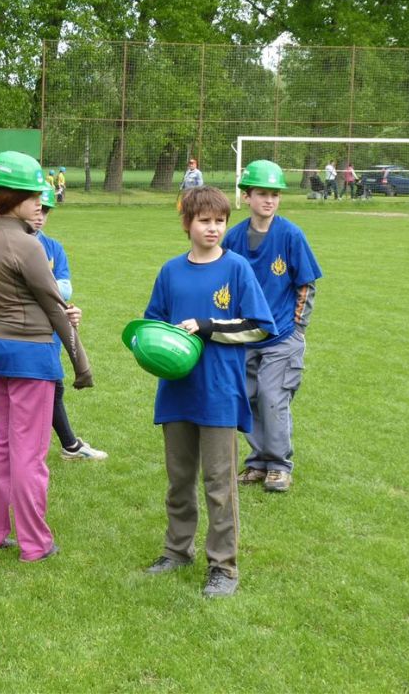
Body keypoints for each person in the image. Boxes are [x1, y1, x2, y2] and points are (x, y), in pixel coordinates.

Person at [141, 185, 275, 598]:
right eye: (204, 221)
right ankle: (176, 551)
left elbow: (260, 326)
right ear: (187, 224)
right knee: (179, 480)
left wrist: (208, 326)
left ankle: (223, 566)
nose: (213, 228)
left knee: (219, 484)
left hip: (219, 393)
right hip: (177, 391)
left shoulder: (236, 269)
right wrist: (155, 345)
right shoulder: (170, 272)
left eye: (220, 221)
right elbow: (153, 324)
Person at [0, 151, 93, 562]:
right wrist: (82, 364)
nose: (40, 203)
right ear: (12, 196)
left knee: (1, 445)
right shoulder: (27, 244)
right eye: (34, 196)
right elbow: (54, 307)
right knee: (29, 454)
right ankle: (35, 543)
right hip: (31, 356)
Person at [223, 160, 322, 495]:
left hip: (282, 335)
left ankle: (279, 466)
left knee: (272, 397)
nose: (269, 200)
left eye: (275, 195)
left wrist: (297, 329)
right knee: (249, 397)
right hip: (245, 335)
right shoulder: (234, 237)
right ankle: (258, 463)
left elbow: (306, 285)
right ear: (247, 196)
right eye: (262, 194)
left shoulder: (291, 235)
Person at [31, 184, 107, 461]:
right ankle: (68, 445)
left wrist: (60, 302)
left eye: (46, 211)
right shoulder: (14, 244)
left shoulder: (53, 247)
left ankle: (69, 445)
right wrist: (52, 291)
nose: (40, 216)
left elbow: (65, 288)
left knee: (52, 387)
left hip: (50, 332)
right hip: (27, 332)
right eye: (37, 209)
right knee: (45, 388)